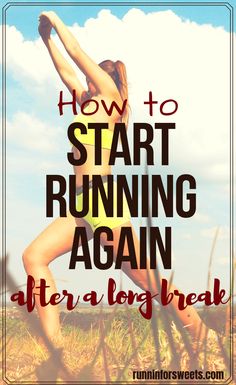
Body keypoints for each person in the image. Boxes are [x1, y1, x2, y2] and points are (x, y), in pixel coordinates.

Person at [23, 10, 207, 345]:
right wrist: (46, 39)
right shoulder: (89, 103)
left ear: (103, 79)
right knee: (34, 257)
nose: (84, 84)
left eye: (90, 79)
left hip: (103, 202)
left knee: (149, 281)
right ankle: (55, 348)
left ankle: (203, 336)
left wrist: (56, 20)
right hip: (80, 205)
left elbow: (76, 55)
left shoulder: (110, 97)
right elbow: (68, 73)